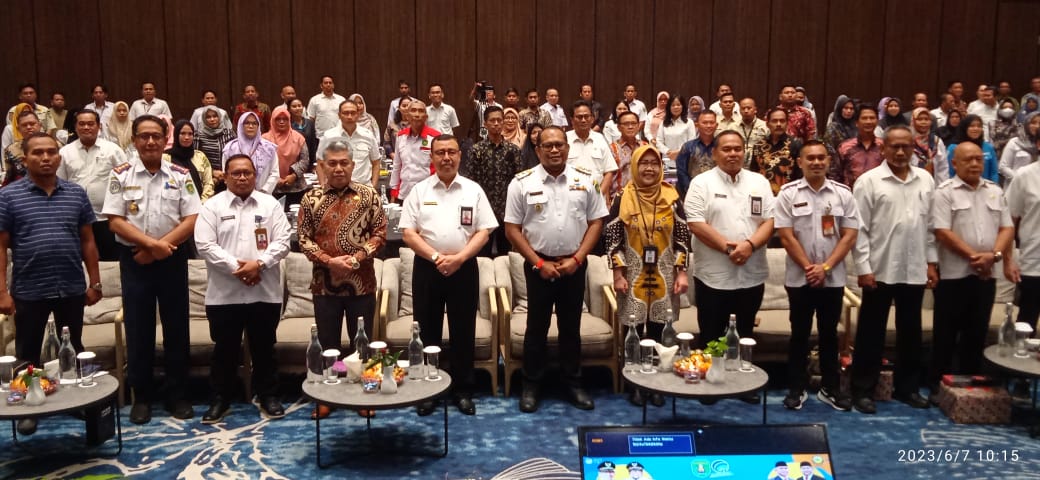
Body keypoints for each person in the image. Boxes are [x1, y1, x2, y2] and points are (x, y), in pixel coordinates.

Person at [0, 132, 101, 435]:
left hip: (70, 286)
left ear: (59, 157)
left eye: (51, 152)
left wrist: (95, 283)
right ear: (25, 159)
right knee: (28, 352)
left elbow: (88, 241)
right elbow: (1, 246)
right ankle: (29, 406)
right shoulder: (8, 196)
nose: (45, 158)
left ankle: (80, 401)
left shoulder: (76, 193)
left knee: (75, 347)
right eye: (38, 153)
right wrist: (2, 291)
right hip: (30, 289)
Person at [102, 115, 201, 424]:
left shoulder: (180, 174)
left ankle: (177, 394)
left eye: (156, 136)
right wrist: (149, 246)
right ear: (134, 140)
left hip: (172, 258)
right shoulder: (120, 174)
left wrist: (160, 248)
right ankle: (141, 396)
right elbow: (114, 221)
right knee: (138, 327)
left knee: (177, 328)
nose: (150, 141)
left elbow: (192, 218)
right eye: (143, 136)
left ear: (164, 139)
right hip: (134, 259)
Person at [504, 126, 607, 413]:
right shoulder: (521, 183)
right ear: (537, 150)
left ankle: (573, 382)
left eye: (559, 144)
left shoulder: (586, 179)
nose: (554, 150)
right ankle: (531, 384)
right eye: (547, 145)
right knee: (535, 328)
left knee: (570, 327)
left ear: (567, 148)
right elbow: (511, 229)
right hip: (538, 265)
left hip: (574, 264)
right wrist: (538, 263)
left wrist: (578, 259)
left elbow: (596, 222)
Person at [401, 134, 497, 416]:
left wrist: (460, 258)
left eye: (451, 152)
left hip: (464, 268)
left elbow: (484, 231)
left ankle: (463, 389)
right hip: (427, 268)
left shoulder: (473, 190)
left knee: (463, 330)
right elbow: (408, 233)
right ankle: (428, 389)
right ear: (431, 157)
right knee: (426, 329)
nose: (446, 157)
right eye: (440, 152)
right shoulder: (419, 191)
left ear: (459, 155)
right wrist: (435, 257)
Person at [195, 154, 291, 423]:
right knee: (224, 350)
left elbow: (283, 242)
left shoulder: (270, 205)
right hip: (224, 295)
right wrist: (239, 269)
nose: (241, 177)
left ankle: (269, 396)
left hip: (264, 291)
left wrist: (259, 264)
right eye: (235, 173)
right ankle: (220, 399)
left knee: (265, 349)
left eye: (247, 172)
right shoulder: (212, 206)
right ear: (225, 177)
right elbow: (204, 245)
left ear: (255, 175)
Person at [850, 125, 937, 414]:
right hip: (879, 268)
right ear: (883, 148)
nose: (900, 152)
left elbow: (930, 226)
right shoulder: (869, 181)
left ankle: (907, 388)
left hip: (914, 268)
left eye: (906, 147)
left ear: (914, 148)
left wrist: (931, 263)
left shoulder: (925, 179)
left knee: (911, 332)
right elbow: (859, 229)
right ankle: (863, 389)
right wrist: (863, 267)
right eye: (894, 146)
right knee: (870, 333)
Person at [297, 139, 386, 419]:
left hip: (362, 283)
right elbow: (303, 239)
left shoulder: (369, 195)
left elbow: (380, 234)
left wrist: (357, 258)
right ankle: (328, 396)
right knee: (328, 344)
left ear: (353, 165)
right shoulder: (310, 198)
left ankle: (367, 393)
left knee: (364, 343)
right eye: (332, 163)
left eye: (344, 163)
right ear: (322, 166)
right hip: (325, 285)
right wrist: (328, 261)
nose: (338, 168)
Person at [685, 131, 774, 405]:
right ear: (714, 153)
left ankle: (743, 384)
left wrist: (749, 245)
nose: (733, 153)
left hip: (751, 272)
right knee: (711, 332)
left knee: (745, 332)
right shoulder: (701, 183)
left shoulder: (759, 182)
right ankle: (711, 383)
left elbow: (770, 221)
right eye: (726, 149)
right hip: (713, 275)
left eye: (738, 149)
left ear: (744, 152)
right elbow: (695, 223)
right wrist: (728, 248)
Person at [927, 141, 1015, 402]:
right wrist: (975, 257)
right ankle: (938, 385)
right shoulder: (945, 192)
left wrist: (994, 256)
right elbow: (942, 231)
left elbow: (1007, 228)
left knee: (976, 333)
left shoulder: (995, 191)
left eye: (979, 159)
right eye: (969, 159)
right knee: (945, 334)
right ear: (954, 163)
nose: (975, 164)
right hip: (953, 275)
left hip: (986, 276)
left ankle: (970, 387)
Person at [774, 140, 858, 411]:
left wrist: (826, 268)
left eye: (821, 157)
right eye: (810, 158)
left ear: (829, 161)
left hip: (833, 278)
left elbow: (849, 236)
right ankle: (796, 388)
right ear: (800, 162)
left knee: (829, 334)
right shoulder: (788, 194)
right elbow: (786, 236)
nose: (816, 162)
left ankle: (830, 388)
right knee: (799, 334)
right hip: (799, 278)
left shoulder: (843, 194)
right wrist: (810, 268)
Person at [604, 145, 690, 406]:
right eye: (644, 163)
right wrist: (618, 274)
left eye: (654, 163)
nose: (649, 168)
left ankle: (656, 382)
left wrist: (682, 272)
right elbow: (613, 238)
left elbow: (683, 237)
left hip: (664, 273)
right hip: (633, 273)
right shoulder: (623, 197)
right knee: (633, 328)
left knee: (659, 328)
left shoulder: (672, 197)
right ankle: (635, 382)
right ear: (635, 166)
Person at [58, 110, 128, 261]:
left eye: (90, 124)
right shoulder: (65, 152)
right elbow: (60, 183)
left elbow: (126, 180)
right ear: (75, 127)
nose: (86, 127)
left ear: (99, 126)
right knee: (81, 260)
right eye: (82, 124)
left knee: (111, 261)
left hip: (107, 218)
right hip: (77, 218)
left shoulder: (113, 150)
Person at [461, 107, 522, 257]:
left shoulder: (513, 150)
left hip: (507, 210)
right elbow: (470, 181)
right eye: (492, 120)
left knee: (506, 254)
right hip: (483, 209)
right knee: (482, 253)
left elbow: (519, 180)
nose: (496, 123)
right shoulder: (476, 150)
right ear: (485, 124)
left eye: (499, 120)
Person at [1005, 147, 1040, 330]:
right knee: (1026, 321)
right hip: (1034, 261)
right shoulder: (1025, 175)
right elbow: (1008, 220)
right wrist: (1008, 259)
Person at [316, 100, 380, 189]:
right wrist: (323, 186)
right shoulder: (329, 136)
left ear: (358, 114)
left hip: (363, 188)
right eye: (345, 113)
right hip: (336, 189)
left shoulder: (368, 135)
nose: (349, 117)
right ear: (339, 115)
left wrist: (373, 187)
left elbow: (376, 162)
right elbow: (320, 163)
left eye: (353, 113)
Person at [390, 101, 440, 202]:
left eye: (421, 111)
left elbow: (440, 168)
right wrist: (393, 193)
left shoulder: (435, 137)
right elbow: (397, 166)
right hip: (404, 194)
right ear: (407, 116)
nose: (417, 114)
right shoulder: (400, 136)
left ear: (426, 117)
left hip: (427, 195)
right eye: (413, 111)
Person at [567, 100, 616, 203]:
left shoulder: (600, 139)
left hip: (597, 200)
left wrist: (599, 196)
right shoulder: (564, 140)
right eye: (579, 117)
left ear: (592, 119)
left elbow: (609, 171)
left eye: (586, 116)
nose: (583, 120)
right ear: (572, 120)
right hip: (570, 200)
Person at [262, 107, 310, 207]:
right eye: (278, 119)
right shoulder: (264, 140)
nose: (281, 122)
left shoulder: (298, 138)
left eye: (285, 119)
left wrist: (293, 175)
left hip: (296, 187)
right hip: (272, 189)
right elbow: (261, 162)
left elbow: (304, 160)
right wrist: (275, 178)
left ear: (289, 120)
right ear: (272, 120)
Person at [222, 112, 279, 194]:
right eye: (247, 123)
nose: (251, 126)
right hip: (237, 194)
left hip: (263, 195)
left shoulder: (268, 148)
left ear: (258, 126)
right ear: (241, 125)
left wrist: (263, 192)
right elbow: (226, 173)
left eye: (254, 123)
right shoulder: (230, 148)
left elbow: (275, 173)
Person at [749, 108, 802, 195]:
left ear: (787, 123)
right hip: (763, 194)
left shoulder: (795, 145)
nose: (778, 124)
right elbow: (753, 173)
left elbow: (800, 174)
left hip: (788, 194)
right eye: (774, 121)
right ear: (767, 124)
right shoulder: (758, 146)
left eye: (782, 121)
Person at [164, 121, 215, 204]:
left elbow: (208, 183)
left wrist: (201, 203)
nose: (187, 137)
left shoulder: (200, 156)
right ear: (176, 135)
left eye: (190, 134)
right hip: (173, 205)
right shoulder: (165, 157)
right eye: (182, 133)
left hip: (200, 204)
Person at [834, 104, 882, 189]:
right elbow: (836, 175)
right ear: (856, 122)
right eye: (864, 118)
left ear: (877, 121)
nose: (868, 122)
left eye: (872, 118)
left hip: (878, 192)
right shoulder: (845, 147)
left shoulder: (885, 146)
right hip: (850, 193)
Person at [945, 114, 998, 184]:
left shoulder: (988, 147)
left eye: (979, 126)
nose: (976, 129)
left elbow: (994, 173)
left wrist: (994, 187)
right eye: (972, 126)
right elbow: (950, 173)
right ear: (964, 128)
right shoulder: (954, 148)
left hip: (985, 187)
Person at [194, 107, 237, 191]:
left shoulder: (229, 133)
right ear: (204, 119)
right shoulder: (198, 136)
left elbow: (236, 155)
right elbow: (196, 159)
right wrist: (212, 172)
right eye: (208, 117)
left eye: (215, 116)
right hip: (207, 179)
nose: (212, 119)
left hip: (229, 176)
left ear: (220, 117)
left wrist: (226, 173)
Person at [608, 111, 648, 198]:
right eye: (626, 124)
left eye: (633, 123)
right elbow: (606, 176)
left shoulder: (645, 147)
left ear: (638, 126)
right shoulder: (611, 149)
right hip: (619, 198)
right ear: (618, 127)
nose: (630, 127)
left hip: (643, 197)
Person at [655, 93, 695, 171]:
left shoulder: (689, 122)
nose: (676, 107)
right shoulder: (663, 123)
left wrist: (678, 152)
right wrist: (669, 152)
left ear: (683, 106)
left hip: (684, 162)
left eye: (678, 105)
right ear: (669, 107)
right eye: (673, 105)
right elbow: (659, 142)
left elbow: (691, 142)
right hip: (667, 162)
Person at [3, 109, 43, 186]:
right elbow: (9, 177)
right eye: (24, 125)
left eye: (32, 124)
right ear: (18, 129)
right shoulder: (11, 150)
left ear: (40, 125)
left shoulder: (53, 146)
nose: (29, 127)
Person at [910, 107, 949, 184]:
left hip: (934, 185)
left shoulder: (937, 141)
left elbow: (943, 168)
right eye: (919, 119)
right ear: (913, 121)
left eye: (926, 119)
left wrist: (942, 187)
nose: (923, 122)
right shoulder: (907, 141)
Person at [999, 111, 1040, 184]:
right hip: (1015, 185)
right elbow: (1003, 167)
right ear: (1027, 124)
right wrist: (1020, 179)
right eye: (1033, 123)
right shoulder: (1015, 142)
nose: (1037, 126)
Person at [737, 98, 769, 165]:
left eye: (749, 108)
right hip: (738, 162)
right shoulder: (732, 127)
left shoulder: (765, 126)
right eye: (743, 108)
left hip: (759, 163)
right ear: (739, 110)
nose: (746, 111)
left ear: (755, 110)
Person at [288, 98, 318, 165]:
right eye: (294, 106)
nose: (297, 108)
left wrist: (314, 163)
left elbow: (313, 145)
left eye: (299, 106)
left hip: (309, 160)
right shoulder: (287, 124)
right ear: (289, 109)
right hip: (293, 161)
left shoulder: (310, 123)